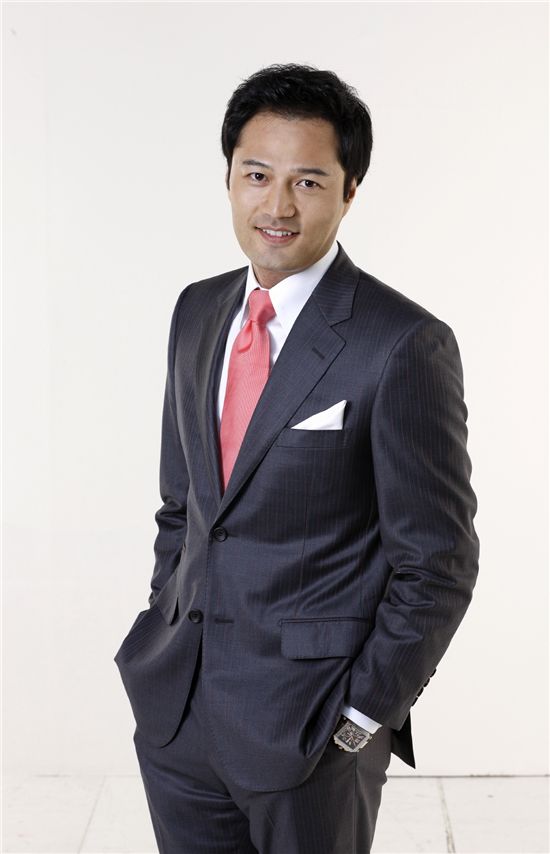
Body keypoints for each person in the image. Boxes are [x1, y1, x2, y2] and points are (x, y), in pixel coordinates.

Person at [114, 63, 479, 854]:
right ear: (229, 179)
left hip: (311, 730)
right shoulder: (197, 310)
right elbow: (183, 504)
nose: (277, 206)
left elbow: (438, 562)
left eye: (308, 182)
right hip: (178, 713)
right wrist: (163, 624)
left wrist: (360, 718)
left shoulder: (402, 343)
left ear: (350, 192)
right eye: (257, 175)